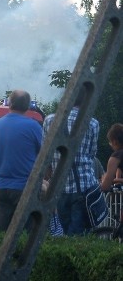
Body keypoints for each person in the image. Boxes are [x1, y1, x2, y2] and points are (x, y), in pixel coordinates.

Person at [42, 96, 99, 235]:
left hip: (59, 186)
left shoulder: (50, 120)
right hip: (83, 186)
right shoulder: (92, 123)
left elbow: (45, 153)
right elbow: (91, 155)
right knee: (80, 234)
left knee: (63, 231)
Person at [0, 89, 42, 232]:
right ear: (27, 106)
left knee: (3, 234)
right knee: (26, 234)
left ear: (10, 104)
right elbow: (44, 155)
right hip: (24, 186)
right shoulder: (33, 126)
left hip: (1, 186)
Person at [100, 123, 123, 196]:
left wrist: (104, 180)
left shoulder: (116, 156)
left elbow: (105, 186)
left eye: (110, 142)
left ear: (114, 141)